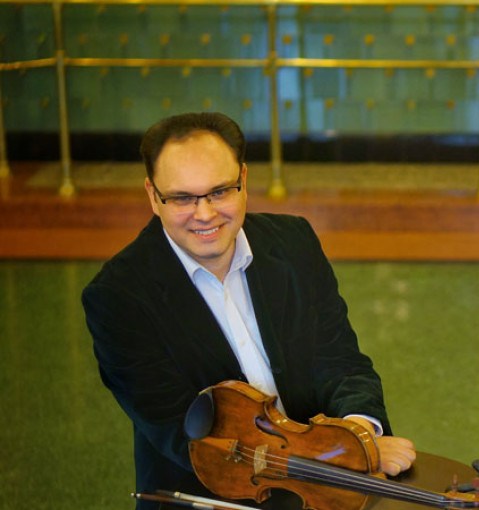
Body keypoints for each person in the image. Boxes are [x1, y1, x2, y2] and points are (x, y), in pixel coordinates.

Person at [82, 112, 416, 507]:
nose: (204, 214)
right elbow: (187, 436)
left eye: (220, 191)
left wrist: (360, 436)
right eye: (182, 198)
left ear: (244, 179)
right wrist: (332, 457)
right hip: (208, 496)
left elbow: (339, 360)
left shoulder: (294, 242)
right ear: (153, 197)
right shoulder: (117, 297)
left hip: (324, 490)